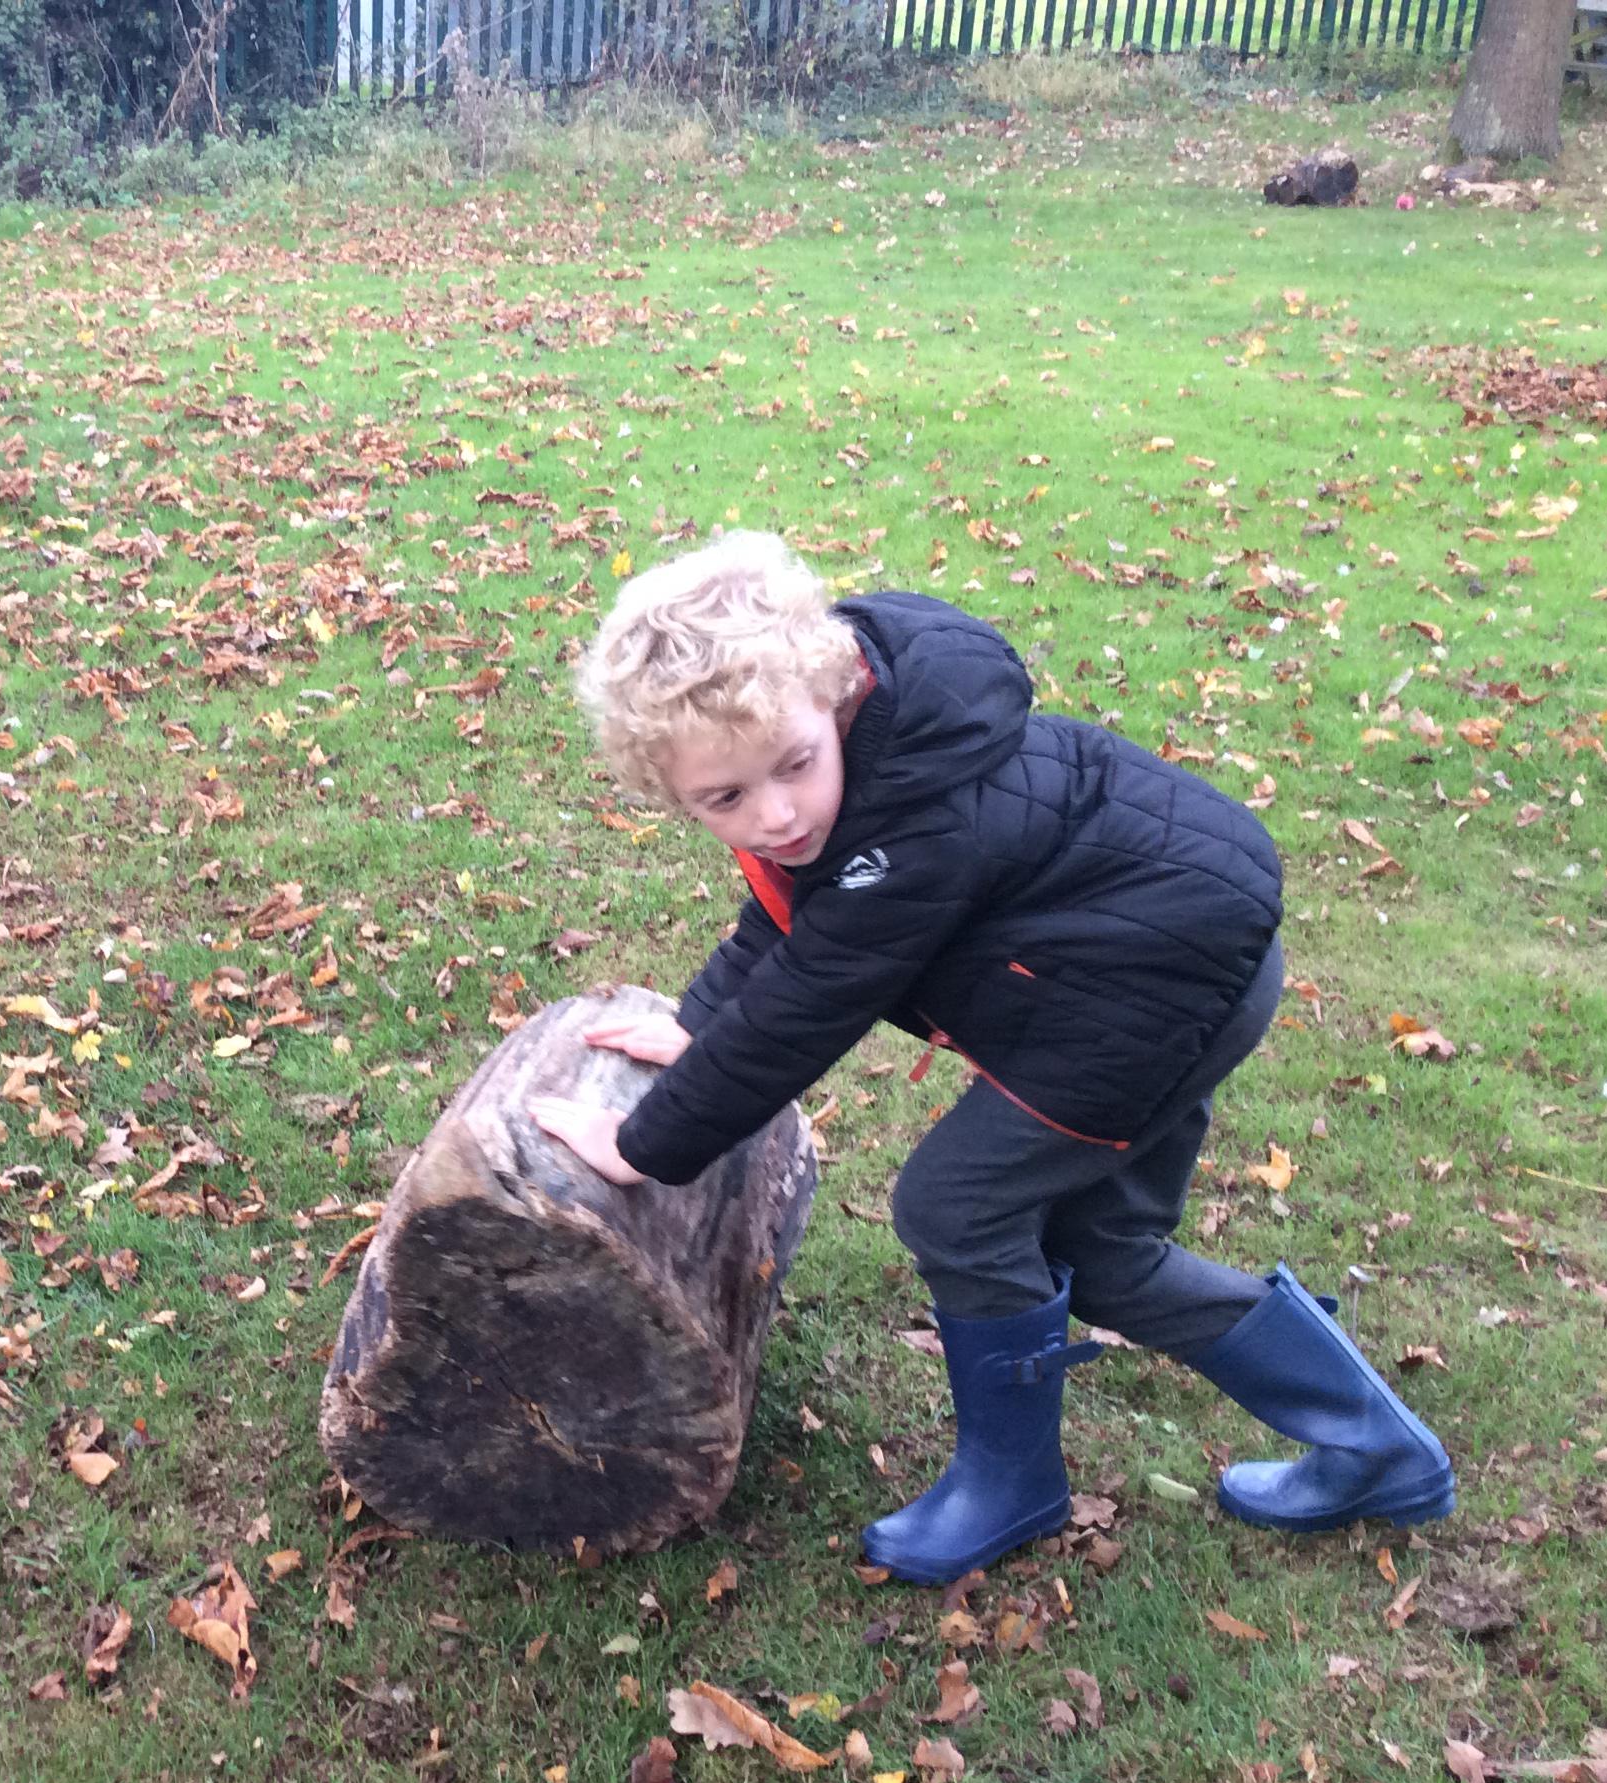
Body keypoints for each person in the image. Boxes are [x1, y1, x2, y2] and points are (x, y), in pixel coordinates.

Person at [527, 532, 1453, 1585]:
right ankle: (1376, 1448)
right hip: (1166, 965)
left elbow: (810, 1003)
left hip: (1148, 989)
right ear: (672, 790)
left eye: (793, 767)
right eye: (724, 800)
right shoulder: (853, 775)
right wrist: (700, 1022)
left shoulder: (914, 822)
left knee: (955, 1206)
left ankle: (1009, 1483)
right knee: (1107, 1255)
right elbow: (790, 920)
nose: (774, 815)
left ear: (834, 699)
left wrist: (644, 1143)